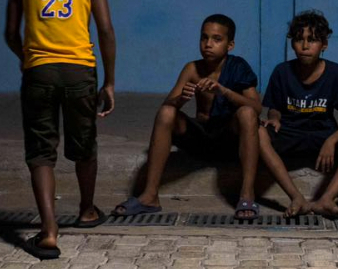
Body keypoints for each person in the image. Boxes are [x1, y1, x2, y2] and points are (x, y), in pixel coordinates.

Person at [5, 0, 116, 260]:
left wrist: (30, 60)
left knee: (41, 151)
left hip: (39, 70)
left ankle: (49, 231)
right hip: (79, 70)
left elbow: (10, 32)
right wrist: (109, 82)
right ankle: (86, 210)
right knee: (84, 143)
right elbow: (105, 31)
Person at [112, 15, 263, 220]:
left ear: (230, 45)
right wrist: (181, 99)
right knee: (167, 112)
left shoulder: (238, 67)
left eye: (217, 39)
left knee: (246, 113)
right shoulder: (192, 68)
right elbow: (167, 105)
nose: (208, 44)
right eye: (204, 38)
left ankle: (247, 195)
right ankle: (149, 196)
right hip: (201, 138)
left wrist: (224, 91)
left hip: (229, 139)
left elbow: (257, 107)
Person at [258, 10, 338, 218]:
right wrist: (275, 118)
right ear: (292, 43)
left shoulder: (335, 72)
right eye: (299, 40)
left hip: (323, 136)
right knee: (258, 133)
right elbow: (273, 106)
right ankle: (297, 198)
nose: (305, 46)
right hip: (290, 134)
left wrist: (332, 141)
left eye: (312, 40)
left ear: (324, 45)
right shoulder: (282, 71)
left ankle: (326, 200)